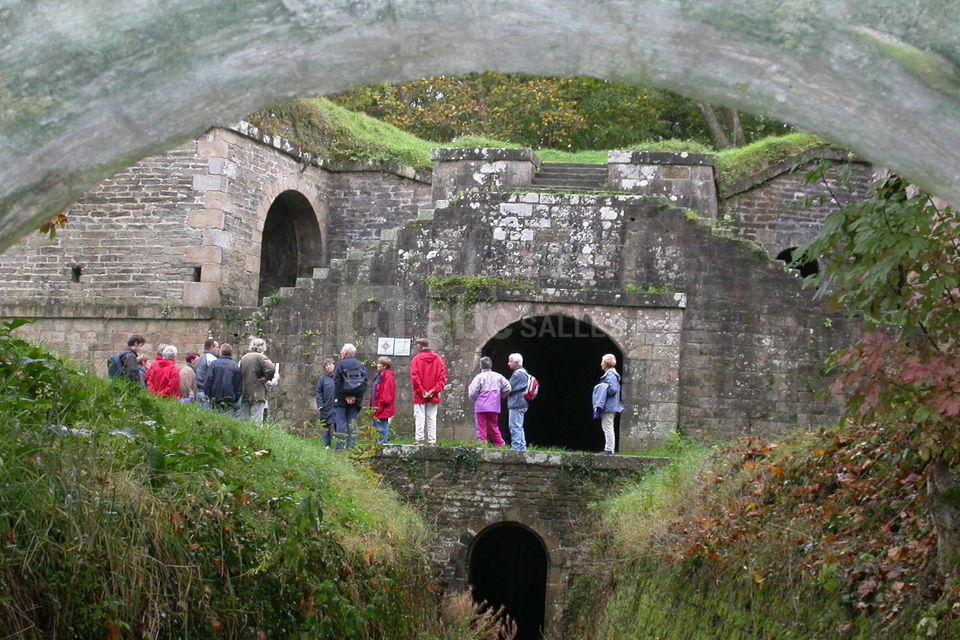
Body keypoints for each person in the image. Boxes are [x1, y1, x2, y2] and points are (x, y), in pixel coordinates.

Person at [410, 338, 446, 446]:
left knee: (419, 416)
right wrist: (433, 391)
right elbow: (442, 378)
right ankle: (432, 441)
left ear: (420, 347)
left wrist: (422, 391)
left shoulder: (416, 359)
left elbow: (415, 378)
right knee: (432, 417)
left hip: (419, 394)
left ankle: (419, 440)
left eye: (417, 346)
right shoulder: (438, 360)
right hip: (433, 394)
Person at [468, 356, 510, 446]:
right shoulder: (498, 376)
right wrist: (501, 396)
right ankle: (500, 444)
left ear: (481, 366)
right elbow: (508, 388)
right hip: (494, 405)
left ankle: (482, 444)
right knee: (493, 426)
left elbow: (472, 392)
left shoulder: (479, 377)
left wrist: (475, 398)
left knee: (481, 426)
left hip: (481, 406)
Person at [333, 343, 367, 449]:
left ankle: (340, 447)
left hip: (341, 399)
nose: (341, 353)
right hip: (355, 400)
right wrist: (355, 396)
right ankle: (351, 446)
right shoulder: (360, 365)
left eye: (342, 352)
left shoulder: (340, 364)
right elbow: (364, 383)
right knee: (352, 423)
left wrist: (345, 396)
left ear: (346, 353)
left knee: (340, 423)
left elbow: (337, 382)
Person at [592, 353, 624, 455]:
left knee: (608, 427)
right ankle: (609, 448)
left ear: (606, 363)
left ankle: (609, 449)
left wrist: (602, 388)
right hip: (610, 405)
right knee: (607, 426)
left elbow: (613, 389)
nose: (601, 364)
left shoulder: (610, 374)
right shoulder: (611, 374)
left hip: (609, 406)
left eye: (602, 362)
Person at [238, 337, 276, 423]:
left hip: (244, 392)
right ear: (262, 347)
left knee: (243, 421)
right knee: (256, 421)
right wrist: (266, 378)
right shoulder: (261, 357)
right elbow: (271, 368)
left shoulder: (244, 358)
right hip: (257, 392)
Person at [203, 343, 241, 415]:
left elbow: (208, 381)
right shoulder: (235, 366)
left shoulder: (214, 364)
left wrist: (209, 395)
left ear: (221, 352)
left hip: (215, 398)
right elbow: (238, 384)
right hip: (230, 399)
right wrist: (236, 398)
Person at [369, 356, 396, 445]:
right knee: (376, 426)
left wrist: (381, 403)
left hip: (382, 407)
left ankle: (382, 444)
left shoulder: (387, 377)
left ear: (384, 366)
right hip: (376, 406)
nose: (377, 365)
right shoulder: (379, 376)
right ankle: (376, 444)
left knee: (382, 426)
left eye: (379, 364)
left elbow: (387, 394)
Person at [506, 353, 530, 451]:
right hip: (522, 402)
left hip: (517, 403)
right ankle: (522, 447)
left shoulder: (518, 374)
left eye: (510, 361)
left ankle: (516, 448)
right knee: (519, 426)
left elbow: (508, 387)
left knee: (514, 426)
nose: (508, 363)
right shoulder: (524, 372)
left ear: (517, 362)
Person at [314, 358, 337, 448]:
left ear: (334, 365)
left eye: (330, 364)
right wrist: (320, 405)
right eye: (326, 365)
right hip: (325, 407)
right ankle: (327, 445)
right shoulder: (322, 379)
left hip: (336, 406)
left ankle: (340, 445)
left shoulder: (338, 377)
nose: (328, 367)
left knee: (338, 426)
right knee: (325, 426)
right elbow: (318, 392)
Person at [194, 338, 220, 409]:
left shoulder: (198, 359)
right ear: (211, 347)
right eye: (217, 347)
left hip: (198, 391)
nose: (218, 350)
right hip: (206, 392)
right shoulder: (212, 359)